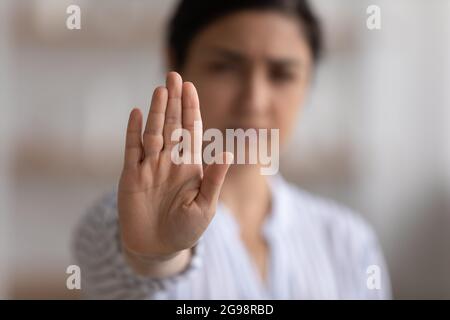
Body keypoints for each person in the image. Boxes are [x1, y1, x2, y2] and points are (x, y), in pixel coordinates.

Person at [73, 0, 391, 299]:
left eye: (282, 74)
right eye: (225, 67)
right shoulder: (118, 222)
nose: (254, 101)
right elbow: (136, 266)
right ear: (175, 64)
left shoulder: (348, 240)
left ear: (308, 84)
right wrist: (157, 255)